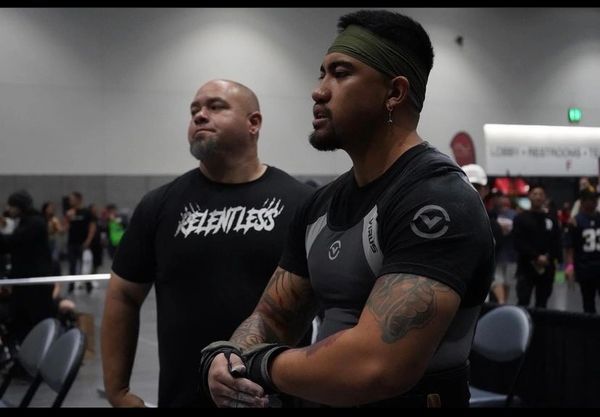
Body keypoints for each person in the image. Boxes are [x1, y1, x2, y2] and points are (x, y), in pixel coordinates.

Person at [201, 10, 494, 408]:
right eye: (321, 73)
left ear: (394, 93)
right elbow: (273, 318)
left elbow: (376, 367)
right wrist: (232, 356)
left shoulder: (437, 199)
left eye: (340, 73)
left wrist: (259, 366)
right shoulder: (320, 205)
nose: (319, 90)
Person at [100, 79, 313, 408]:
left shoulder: (302, 203)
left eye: (216, 107)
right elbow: (123, 295)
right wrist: (118, 392)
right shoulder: (159, 206)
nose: (199, 115)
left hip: (278, 398)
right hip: (185, 399)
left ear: (253, 123)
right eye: (194, 110)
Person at [0, 190, 55, 342]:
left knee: (33, 321)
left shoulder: (34, 222)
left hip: (34, 284)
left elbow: (12, 243)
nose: (9, 209)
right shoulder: (28, 221)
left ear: (19, 207)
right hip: (27, 281)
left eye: (11, 206)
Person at [513, 184, 563, 308]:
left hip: (547, 267)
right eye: (535, 194)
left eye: (541, 194)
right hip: (526, 266)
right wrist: (535, 257)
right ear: (529, 196)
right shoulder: (520, 218)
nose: (538, 197)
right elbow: (518, 242)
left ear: (545, 197)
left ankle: (541, 327)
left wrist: (549, 257)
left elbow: (556, 241)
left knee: (542, 303)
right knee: (523, 301)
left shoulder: (551, 219)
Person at [462, 164, 506, 303]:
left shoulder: (492, 224)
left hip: (479, 291)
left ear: (485, 190)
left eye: (476, 185)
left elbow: (493, 263)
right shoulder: (448, 219)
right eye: (467, 184)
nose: (471, 189)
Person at [565, 189, 600, 313]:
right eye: (590, 199)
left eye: (595, 199)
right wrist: (570, 267)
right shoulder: (576, 221)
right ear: (583, 202)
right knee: (588, 302)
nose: (594, 202)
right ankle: (590, 330)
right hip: (585, 268)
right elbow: (570, 248)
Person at [64, 192, 96, 293]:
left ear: (78, 199)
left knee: (86, 265)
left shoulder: (87, 212)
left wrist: (88, 240)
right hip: (72, 243)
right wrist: (68, 218)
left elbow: (92, 227)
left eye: (72, 199)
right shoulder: (69, 212)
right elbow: (65, 228)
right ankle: (71, 285)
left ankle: (88, 284)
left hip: (83, 243)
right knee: (72, 265)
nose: (70, 201)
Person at [42, 201, 64, 276]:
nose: (51, 209)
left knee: (55, 259)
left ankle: (56, 275)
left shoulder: (54, 220)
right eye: (49, 208)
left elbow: (61, 231)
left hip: (52, 241)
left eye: (52, 208)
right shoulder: (41, 219)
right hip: (43, 242)